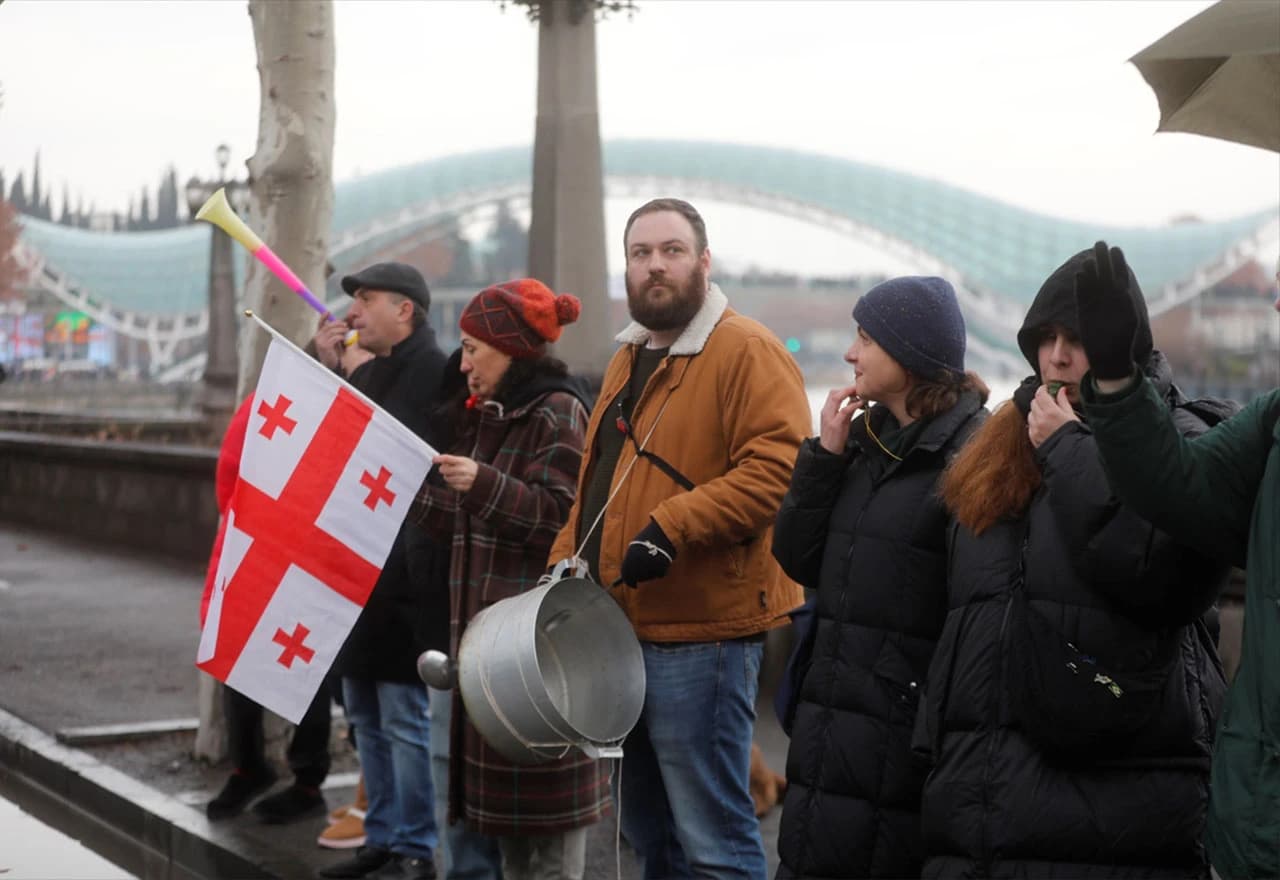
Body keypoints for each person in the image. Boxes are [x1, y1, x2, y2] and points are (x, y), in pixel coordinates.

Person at [919, 246, 1231, 878]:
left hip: (1119, 794)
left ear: (1124, 347)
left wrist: (1066, 447)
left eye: (1080, 339)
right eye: (1046, 338)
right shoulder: (1000, 439)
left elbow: (1158, 571)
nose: (1057, 356)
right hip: (983, 792)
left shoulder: (1181, 437)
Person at [546, 198, 811, 879]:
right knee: (648, 833)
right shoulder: (628, 357)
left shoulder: (748, 351)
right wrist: (560, 568)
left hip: (703, 637)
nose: (655, 265)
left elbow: (776, 471)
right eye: (640, 253)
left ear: (703, 260)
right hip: (620, 635)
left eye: (671, 250)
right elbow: (595, 484)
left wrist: (672, 526)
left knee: (714, 839)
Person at [771, 276, 988, 879]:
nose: (849, 354)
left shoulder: (971, 457)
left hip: (902, 749)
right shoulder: (866, 443)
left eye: (865, 338)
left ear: (911, 353)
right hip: (830, 728)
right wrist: (823, 456)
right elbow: (797, 560)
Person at [1075, 242, 1280, 880]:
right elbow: (1178, 485)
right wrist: (1115, 378)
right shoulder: (1275, 417)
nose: (1277, 299)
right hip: (1261, 819)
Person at [408, 278, 609, 880]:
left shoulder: (558, 410)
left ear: (511, 348)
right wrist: (410, 495)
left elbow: (561, 520)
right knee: (517, 846)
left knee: (547, 853)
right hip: (497, 660)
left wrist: (483, 483)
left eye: (474, 349)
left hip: (537, 661)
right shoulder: (493, 415)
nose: (462, 363)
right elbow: (476, 525)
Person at [313, 262, 449, 880]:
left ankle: (415, 847)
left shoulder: (430, 369)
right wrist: (331, 369)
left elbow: (390, 454)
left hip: (401, 580)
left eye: (367, 300)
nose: (353, 312)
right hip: (358, 570)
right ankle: (383, 835)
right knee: (364, 713)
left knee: (401, 717)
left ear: (407, 310)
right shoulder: (379, 366)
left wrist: (354, 377)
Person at [202, 395, 334, 825]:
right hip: (262, 546)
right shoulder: (282, 392)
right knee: (240, 660)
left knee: (306, 665)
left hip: (307, 558)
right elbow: (231, 471)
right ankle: (253, 767)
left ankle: (305, 779)